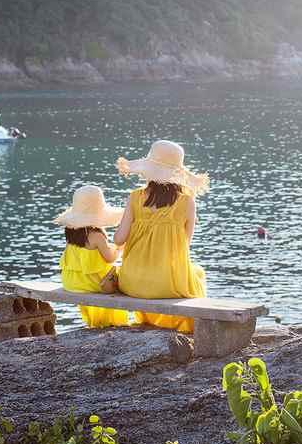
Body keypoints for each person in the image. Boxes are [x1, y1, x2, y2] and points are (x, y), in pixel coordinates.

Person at [113, 140, 208, 333]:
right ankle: (178, 329)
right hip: (168, 284)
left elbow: (118, 239)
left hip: (132, 283)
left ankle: (150, 324)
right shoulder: (187, 202)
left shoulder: (134, 197)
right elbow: (184, 246)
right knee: (197, 273)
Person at [52, 185, 130, 328]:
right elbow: (110, 258)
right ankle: (113, 324)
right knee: (122, 275)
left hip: (71, 281)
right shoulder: (96, 235)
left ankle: (95, 323)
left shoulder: (71, 231)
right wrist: (121, 248)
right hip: (90, 283)